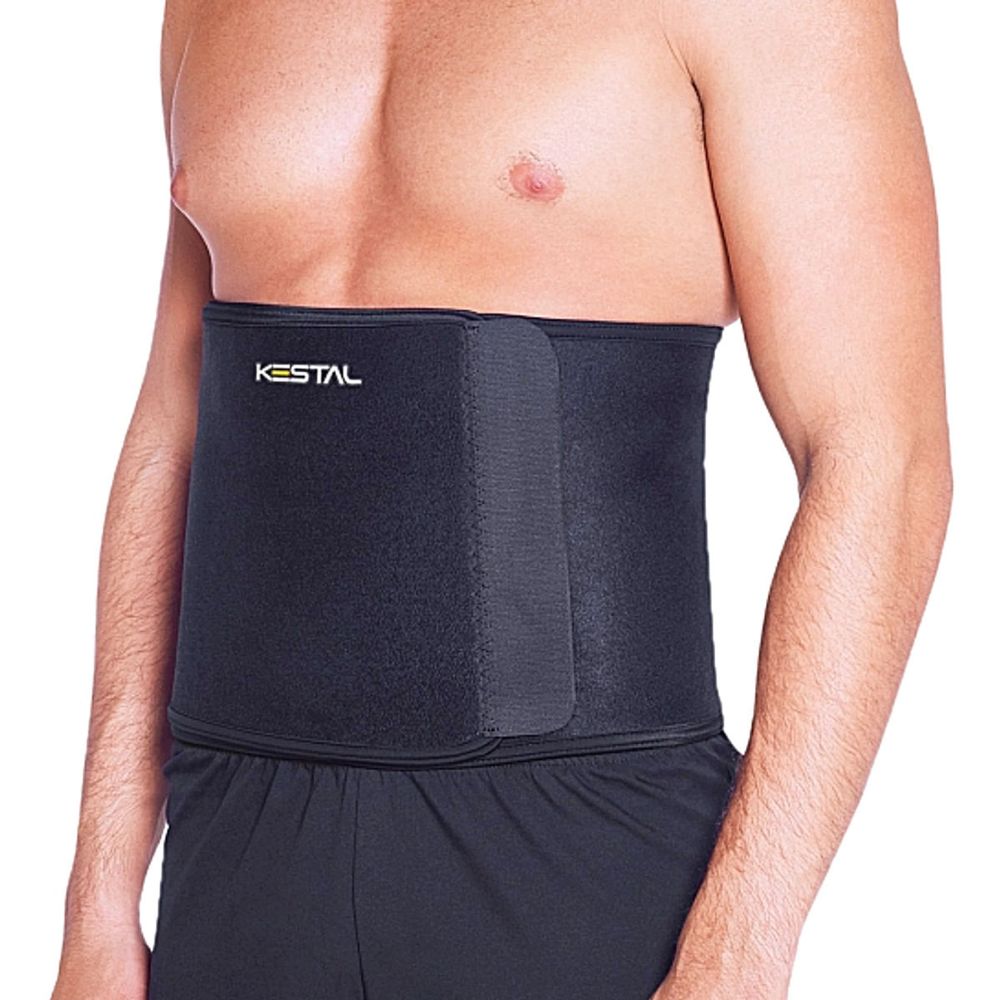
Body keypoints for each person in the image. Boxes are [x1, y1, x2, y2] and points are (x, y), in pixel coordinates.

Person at [50, 1, 952, 998]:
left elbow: (880, 456)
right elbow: (174, 427)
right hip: (237, 844)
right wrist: (96, 910)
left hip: (582, 842)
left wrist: (741, 947)